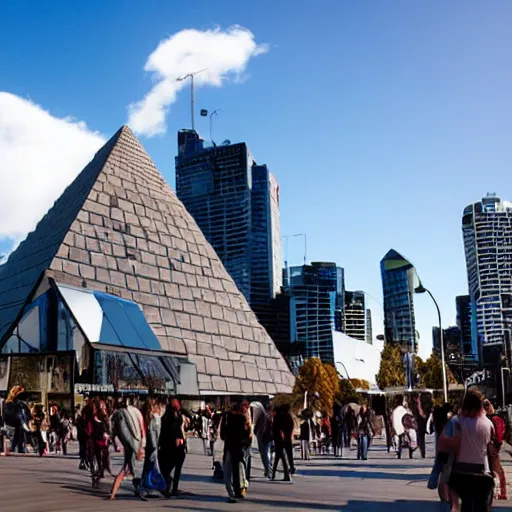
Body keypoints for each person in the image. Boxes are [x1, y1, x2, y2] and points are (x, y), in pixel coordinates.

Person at [440, 388, 495, 512]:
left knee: (466, 505)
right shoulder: (488, 424)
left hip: (461, 473)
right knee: (481, 507)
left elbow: (443, 441)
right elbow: (491, 450)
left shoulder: (457, 421)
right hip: (482, 473)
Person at [109, 399, 145, 500]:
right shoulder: (123, 414)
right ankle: (115, 493)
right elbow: (131, 433)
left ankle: (114, 493)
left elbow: (116, 433)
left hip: (128, 446)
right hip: (132, 445)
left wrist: (117, 444)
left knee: (129, 468)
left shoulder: (117, 416)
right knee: (129, 468)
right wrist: (137, 449)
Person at [221, 403, 252, 503]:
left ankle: (231, 493)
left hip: (228, 447)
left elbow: (222, 435)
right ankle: (237, 492)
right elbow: (246, 434)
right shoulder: (242, 419)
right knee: (236, 470)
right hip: (238, 447)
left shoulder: (226, 418)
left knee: (227, 472)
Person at [159, 398, 188, 498]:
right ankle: (170, 486)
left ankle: (172, 489)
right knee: (166, 468)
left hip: (177, 447)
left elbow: (179, 428)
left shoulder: (179, 416)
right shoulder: (168, 417)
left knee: (173, 469)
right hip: (170, 446)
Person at [138, 398, 165, 500]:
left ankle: (143, 484)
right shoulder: (154, 417)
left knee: (147, 466)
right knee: (152, 466)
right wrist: (155, 446)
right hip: (153, 445)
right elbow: (154, 433)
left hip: (148, 444)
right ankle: (152, 485)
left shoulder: (147, 416)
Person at [483, 399, 507, 500]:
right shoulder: (495, 419)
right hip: (492, 446)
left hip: (491, 447)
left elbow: (498, 436)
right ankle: (498, 492)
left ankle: (501, 493)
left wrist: (496, 443)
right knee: (495, 470)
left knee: (496, 470)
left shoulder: (494, 419)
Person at [271, 404, 293, 482]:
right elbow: (291, 427)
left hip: (279, 440)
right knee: (288, 456)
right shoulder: (288, 417)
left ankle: (274, 474)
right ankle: (291, 469)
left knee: (279, 457)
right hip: (287, 439)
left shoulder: (278, 417)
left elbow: (274, 429)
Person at [253, 402, 273, 478]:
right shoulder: (268, 416)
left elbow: (257, 428)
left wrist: (258, 435)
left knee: (264, 454)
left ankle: (268, 470)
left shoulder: (263, 416)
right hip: (267, 437)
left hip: (263, 437)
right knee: (266, 453)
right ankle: (267, 470)